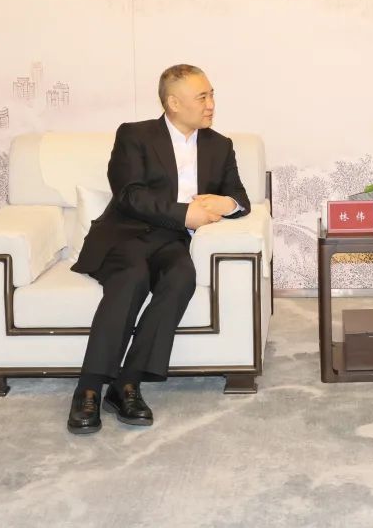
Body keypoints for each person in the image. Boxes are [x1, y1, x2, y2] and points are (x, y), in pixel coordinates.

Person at [66, 64, 250, 434]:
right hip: (126, 235)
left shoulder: (220, 146)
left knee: (182, 276)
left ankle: (127, 383)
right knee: (132, 276)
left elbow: (240, 198)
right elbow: (129, 194)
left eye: (212, 95)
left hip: (172, 242)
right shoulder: (135, 135)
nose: (211, 104)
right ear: (173, 103)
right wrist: (186, 214)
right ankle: (89, 388)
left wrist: (225, 203)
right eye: (202, 97)